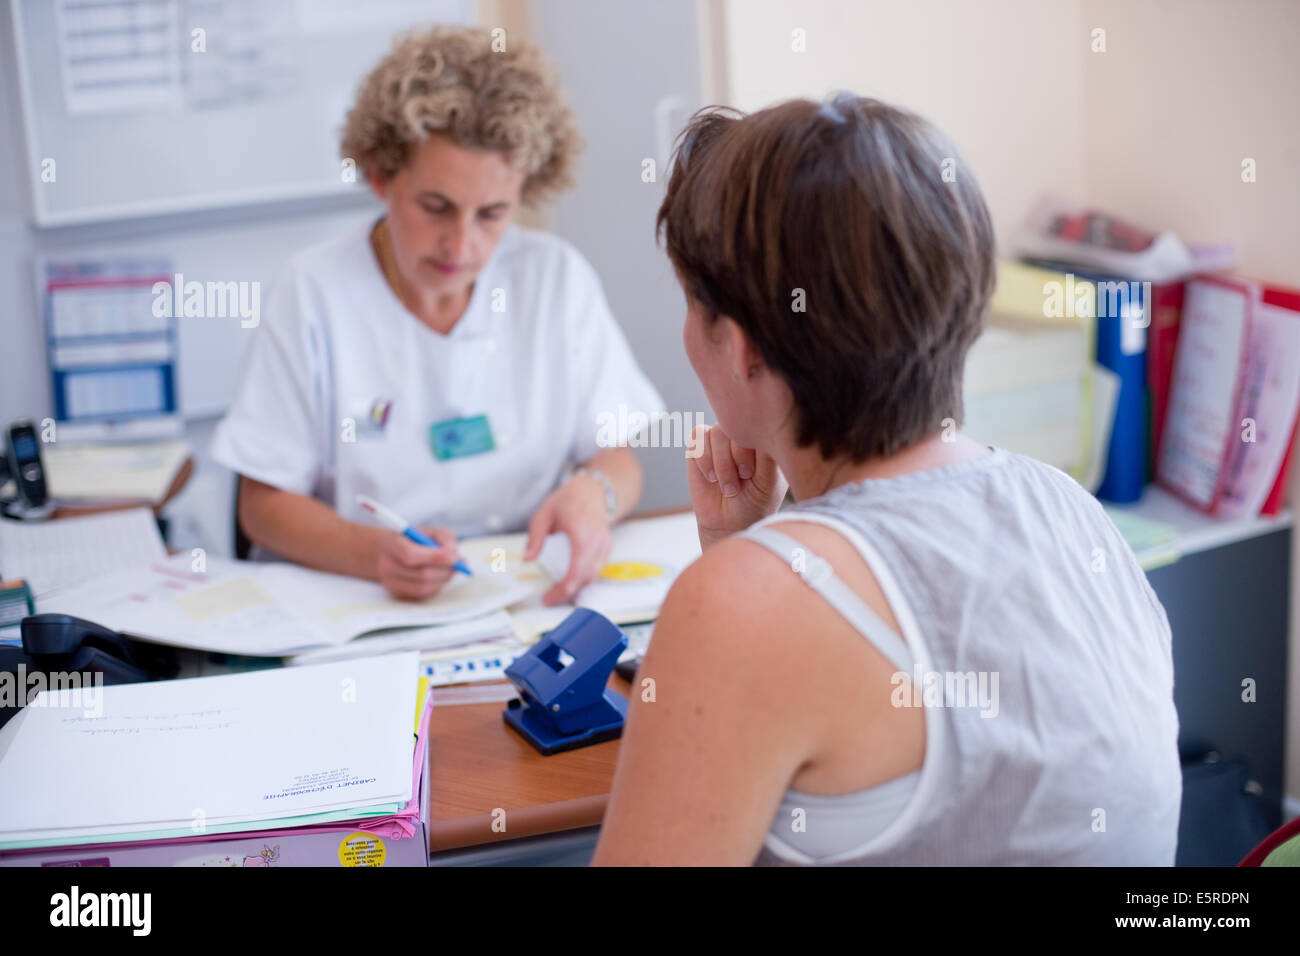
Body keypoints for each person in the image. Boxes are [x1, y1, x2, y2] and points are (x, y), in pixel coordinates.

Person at [592, 94, 1181, 865]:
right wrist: (755, 545)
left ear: (739, 348)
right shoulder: (1070, 509)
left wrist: (749, 570)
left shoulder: (746, 603)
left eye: (690, 306)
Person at [211, 26, 664, 604]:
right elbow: (263, 506)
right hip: (361, 603)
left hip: (521, 598)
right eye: (436, 207)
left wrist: (593, 493)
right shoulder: (313, 292)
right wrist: (374, 555)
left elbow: (615, 459)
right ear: (380, 175)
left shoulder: (554, 278)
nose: (461, 245)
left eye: (492, 214)